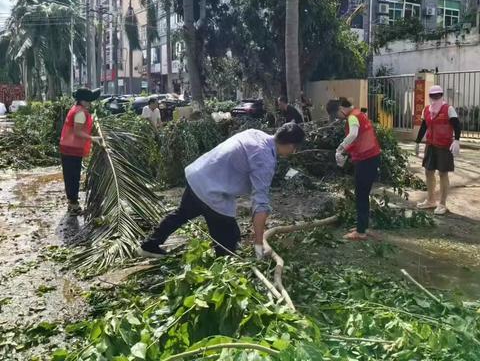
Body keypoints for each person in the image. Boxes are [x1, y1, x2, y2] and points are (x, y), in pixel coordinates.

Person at [139, 123, 305, 258]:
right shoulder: (265, 160)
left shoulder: (255, 133)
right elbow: (260, 203)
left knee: (182, 214)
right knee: (230, 236)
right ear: (290, 145)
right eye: (295, 148)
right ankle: (224, 266)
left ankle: (149, 245)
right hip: (213, 191)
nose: (293, 152)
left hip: (198, 175)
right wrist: (259, 243)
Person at [329, 97, 381, 241]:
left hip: (367, 160)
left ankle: (361, 232)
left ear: (340, 109)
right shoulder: (358, 114)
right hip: (370, 158)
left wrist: (340, 148)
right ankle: (363, 226)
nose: (338, 119)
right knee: (363, 194)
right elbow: (359, 139)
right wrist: (345, 152)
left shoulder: (352, 117)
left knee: (361, 194)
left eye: (336, 115)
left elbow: (353, 135)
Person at [415, 85, 461, 215]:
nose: (435, 98)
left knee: (443, 173)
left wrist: (456, 140)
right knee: (428, 172)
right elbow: (424, 126)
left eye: (438, 95)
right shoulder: (427, 110)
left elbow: (457, 125)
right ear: (429, 96)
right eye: (433, 96)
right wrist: (417, 142)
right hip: (431, 145)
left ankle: (442, 203)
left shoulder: (448, 109)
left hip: (445, 146)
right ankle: (430, 200)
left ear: (441, 95)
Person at [59, 88, 101, 215]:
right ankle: (74, 206)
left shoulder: (76, 109)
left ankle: (72, 203)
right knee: (73, 177)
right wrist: (92, 138)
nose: (91, 102)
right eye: (89, 100)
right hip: (72, 149)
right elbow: (77, 131)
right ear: (83, 100)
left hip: (67, 147)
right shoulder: (80, 113)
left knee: (70, 176)